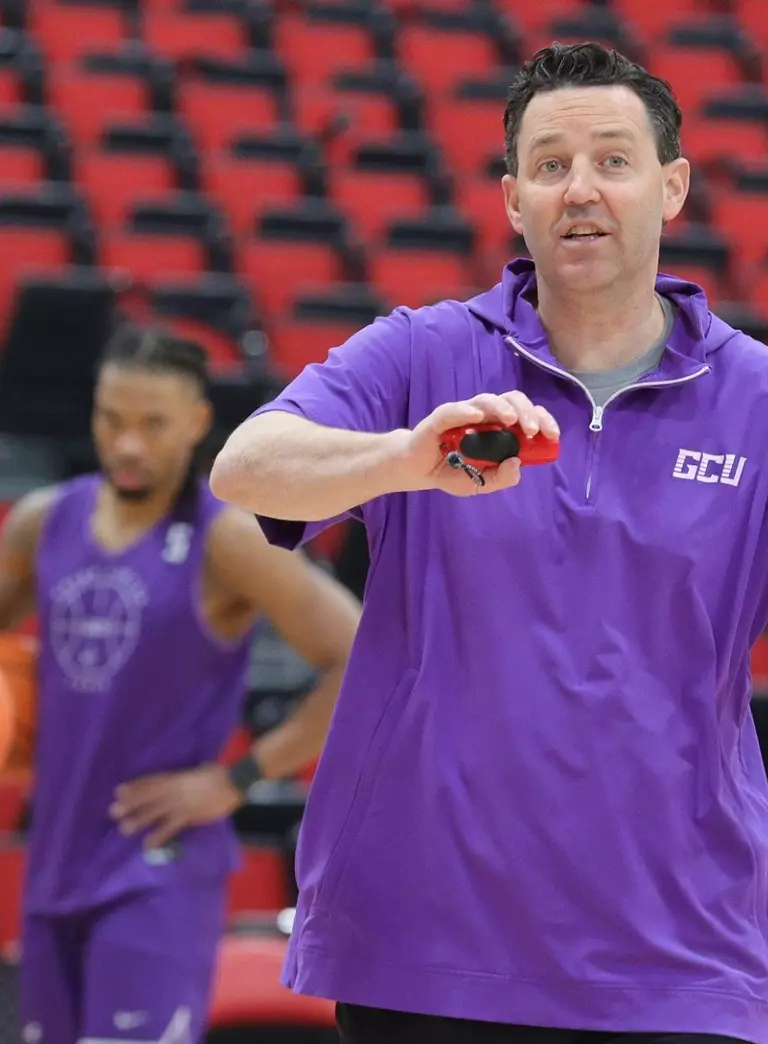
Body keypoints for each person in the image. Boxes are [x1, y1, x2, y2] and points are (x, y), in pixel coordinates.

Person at [210, 40, 768, 1044]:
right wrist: (402, 461)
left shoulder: (756, 402)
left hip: (681, 953)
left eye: (612, 160)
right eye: (550, 167)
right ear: (513, 199)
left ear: (672, 186)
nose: (579, 190)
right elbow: (247, 466)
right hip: (425, 945)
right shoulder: (425, 352)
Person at [0, 324, 361, 1044]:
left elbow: (356, 654)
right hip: (56, 861)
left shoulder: (224, 537)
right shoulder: (44, 522)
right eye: (113, 420)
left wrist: (237, 779)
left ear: (197, 422)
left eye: (153, 424)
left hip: (157, 873)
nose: (129, 444)